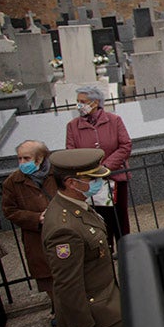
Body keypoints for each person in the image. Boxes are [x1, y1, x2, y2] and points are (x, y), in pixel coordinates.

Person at [42, 148, 126, 327]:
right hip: (99, 312)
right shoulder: (63, 227)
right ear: (71, 182)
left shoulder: (77, 207)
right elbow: (68, 283)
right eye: (92, 179)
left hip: (105, 300)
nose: (98, 183)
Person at [65, 86, 132, 252]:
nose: (79, 105)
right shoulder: (73, 126)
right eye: (78, 102)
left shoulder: (114, 120)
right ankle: (105, 251)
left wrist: (105, 167)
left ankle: (127, 250)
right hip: (89, 182)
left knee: (119, 218)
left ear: (95, 103)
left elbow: (125, 146)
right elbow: (71, 152)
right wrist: (89, 171)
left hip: (114, 178)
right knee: (98, 219)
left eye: (83, 102)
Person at [2, 140, 58, 324]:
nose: (22, 162)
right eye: (19, 158)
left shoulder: (56, 173)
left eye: (26, 158)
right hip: (36, 237)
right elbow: (9, 211)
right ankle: (58, 309)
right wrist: (36, 218)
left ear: (40, 158)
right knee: (47, 275)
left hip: (61, 230)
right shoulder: (13, 181)